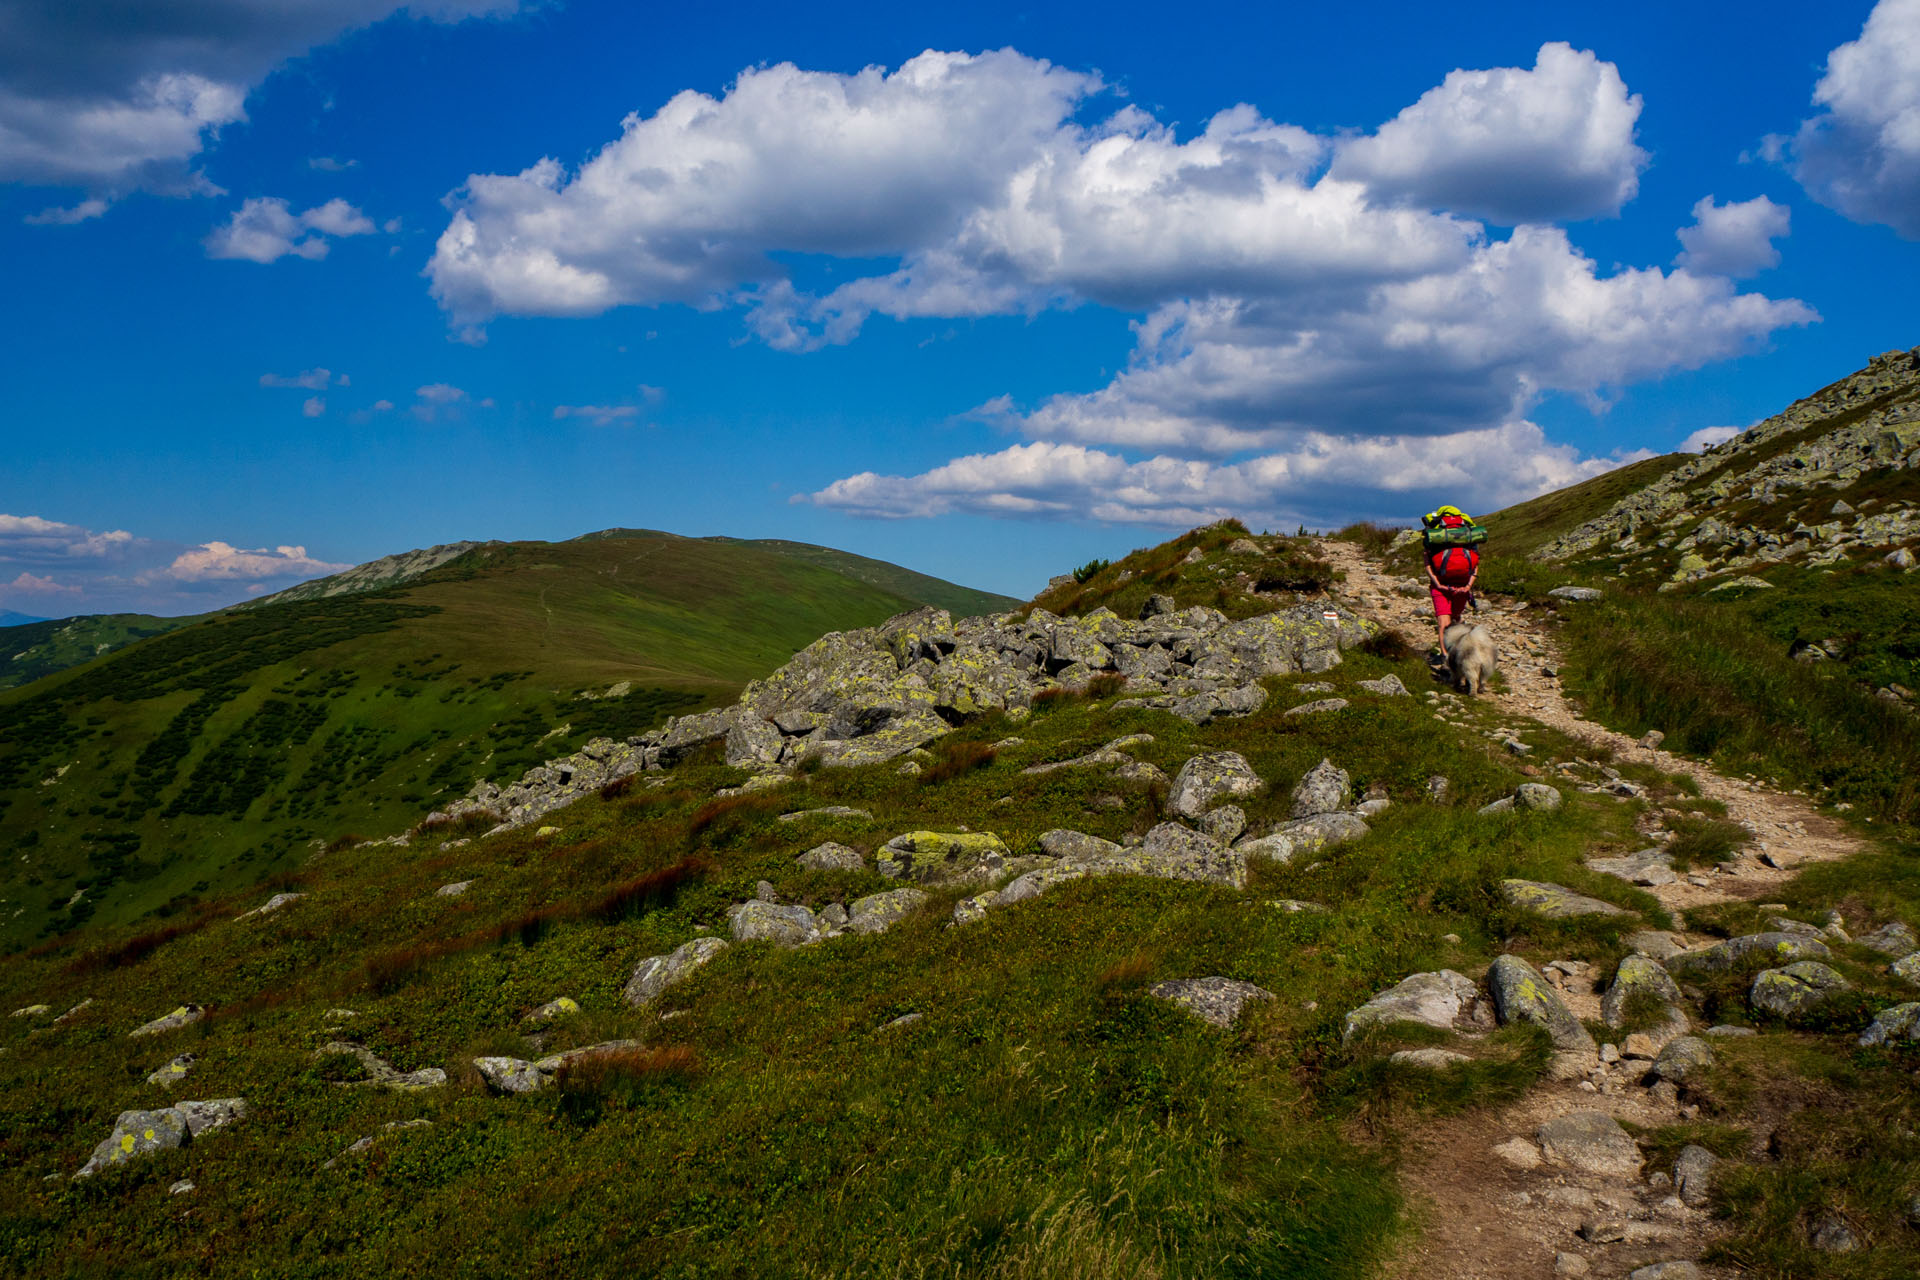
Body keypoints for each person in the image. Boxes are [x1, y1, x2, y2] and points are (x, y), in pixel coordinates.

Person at [1422, 505, 1481, 660]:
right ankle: (1460, 653)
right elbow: (1475, 566)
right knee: (1456, 619)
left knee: (1443, 623)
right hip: (1462, 585)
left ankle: (1446, 657)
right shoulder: (1469, 538)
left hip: (1440, 586)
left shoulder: (1435, 536)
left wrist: (1437, 583)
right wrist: (1468, 586)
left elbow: (1428, 564)